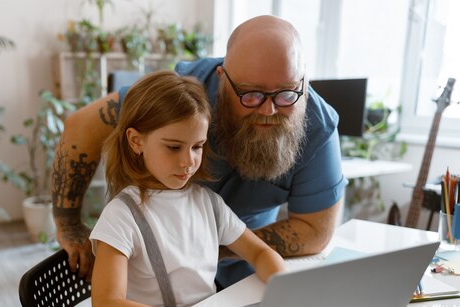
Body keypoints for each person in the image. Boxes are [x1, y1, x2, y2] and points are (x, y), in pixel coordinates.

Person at [52, 15, 347, 288]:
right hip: (152, 268)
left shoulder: (318, 127)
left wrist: (214, 249)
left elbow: (315, 230)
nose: (268, 110)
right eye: (251, 95)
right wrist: (68, 223)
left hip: (242, 273)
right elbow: (82, 127)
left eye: (286, 94)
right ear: (222, 80)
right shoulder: (185, 94)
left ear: (303, 82)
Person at [89, 70, 286, 307]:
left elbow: (259, 252)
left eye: (197, 146)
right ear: (136, 141)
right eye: (173, 147)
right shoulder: (121, 216)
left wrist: (287, 290)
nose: (188, 161)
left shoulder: (208, 203)